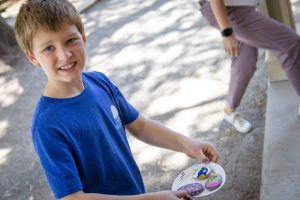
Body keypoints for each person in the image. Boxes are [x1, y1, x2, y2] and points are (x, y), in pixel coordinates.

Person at [14, 0, 219, 199]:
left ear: (83, 38)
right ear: (32, 57)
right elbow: (72, 197)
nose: (65, 55)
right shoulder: (47, 125)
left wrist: (187, 144)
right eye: (49, 48)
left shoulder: (100, 82)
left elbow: (140, 125)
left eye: (70, 40)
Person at [198, 0, 300, 133]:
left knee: (244, 62)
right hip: (229, 10)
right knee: (289, 44)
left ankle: (229, 111)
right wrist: (227, 32)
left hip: (238, 8)